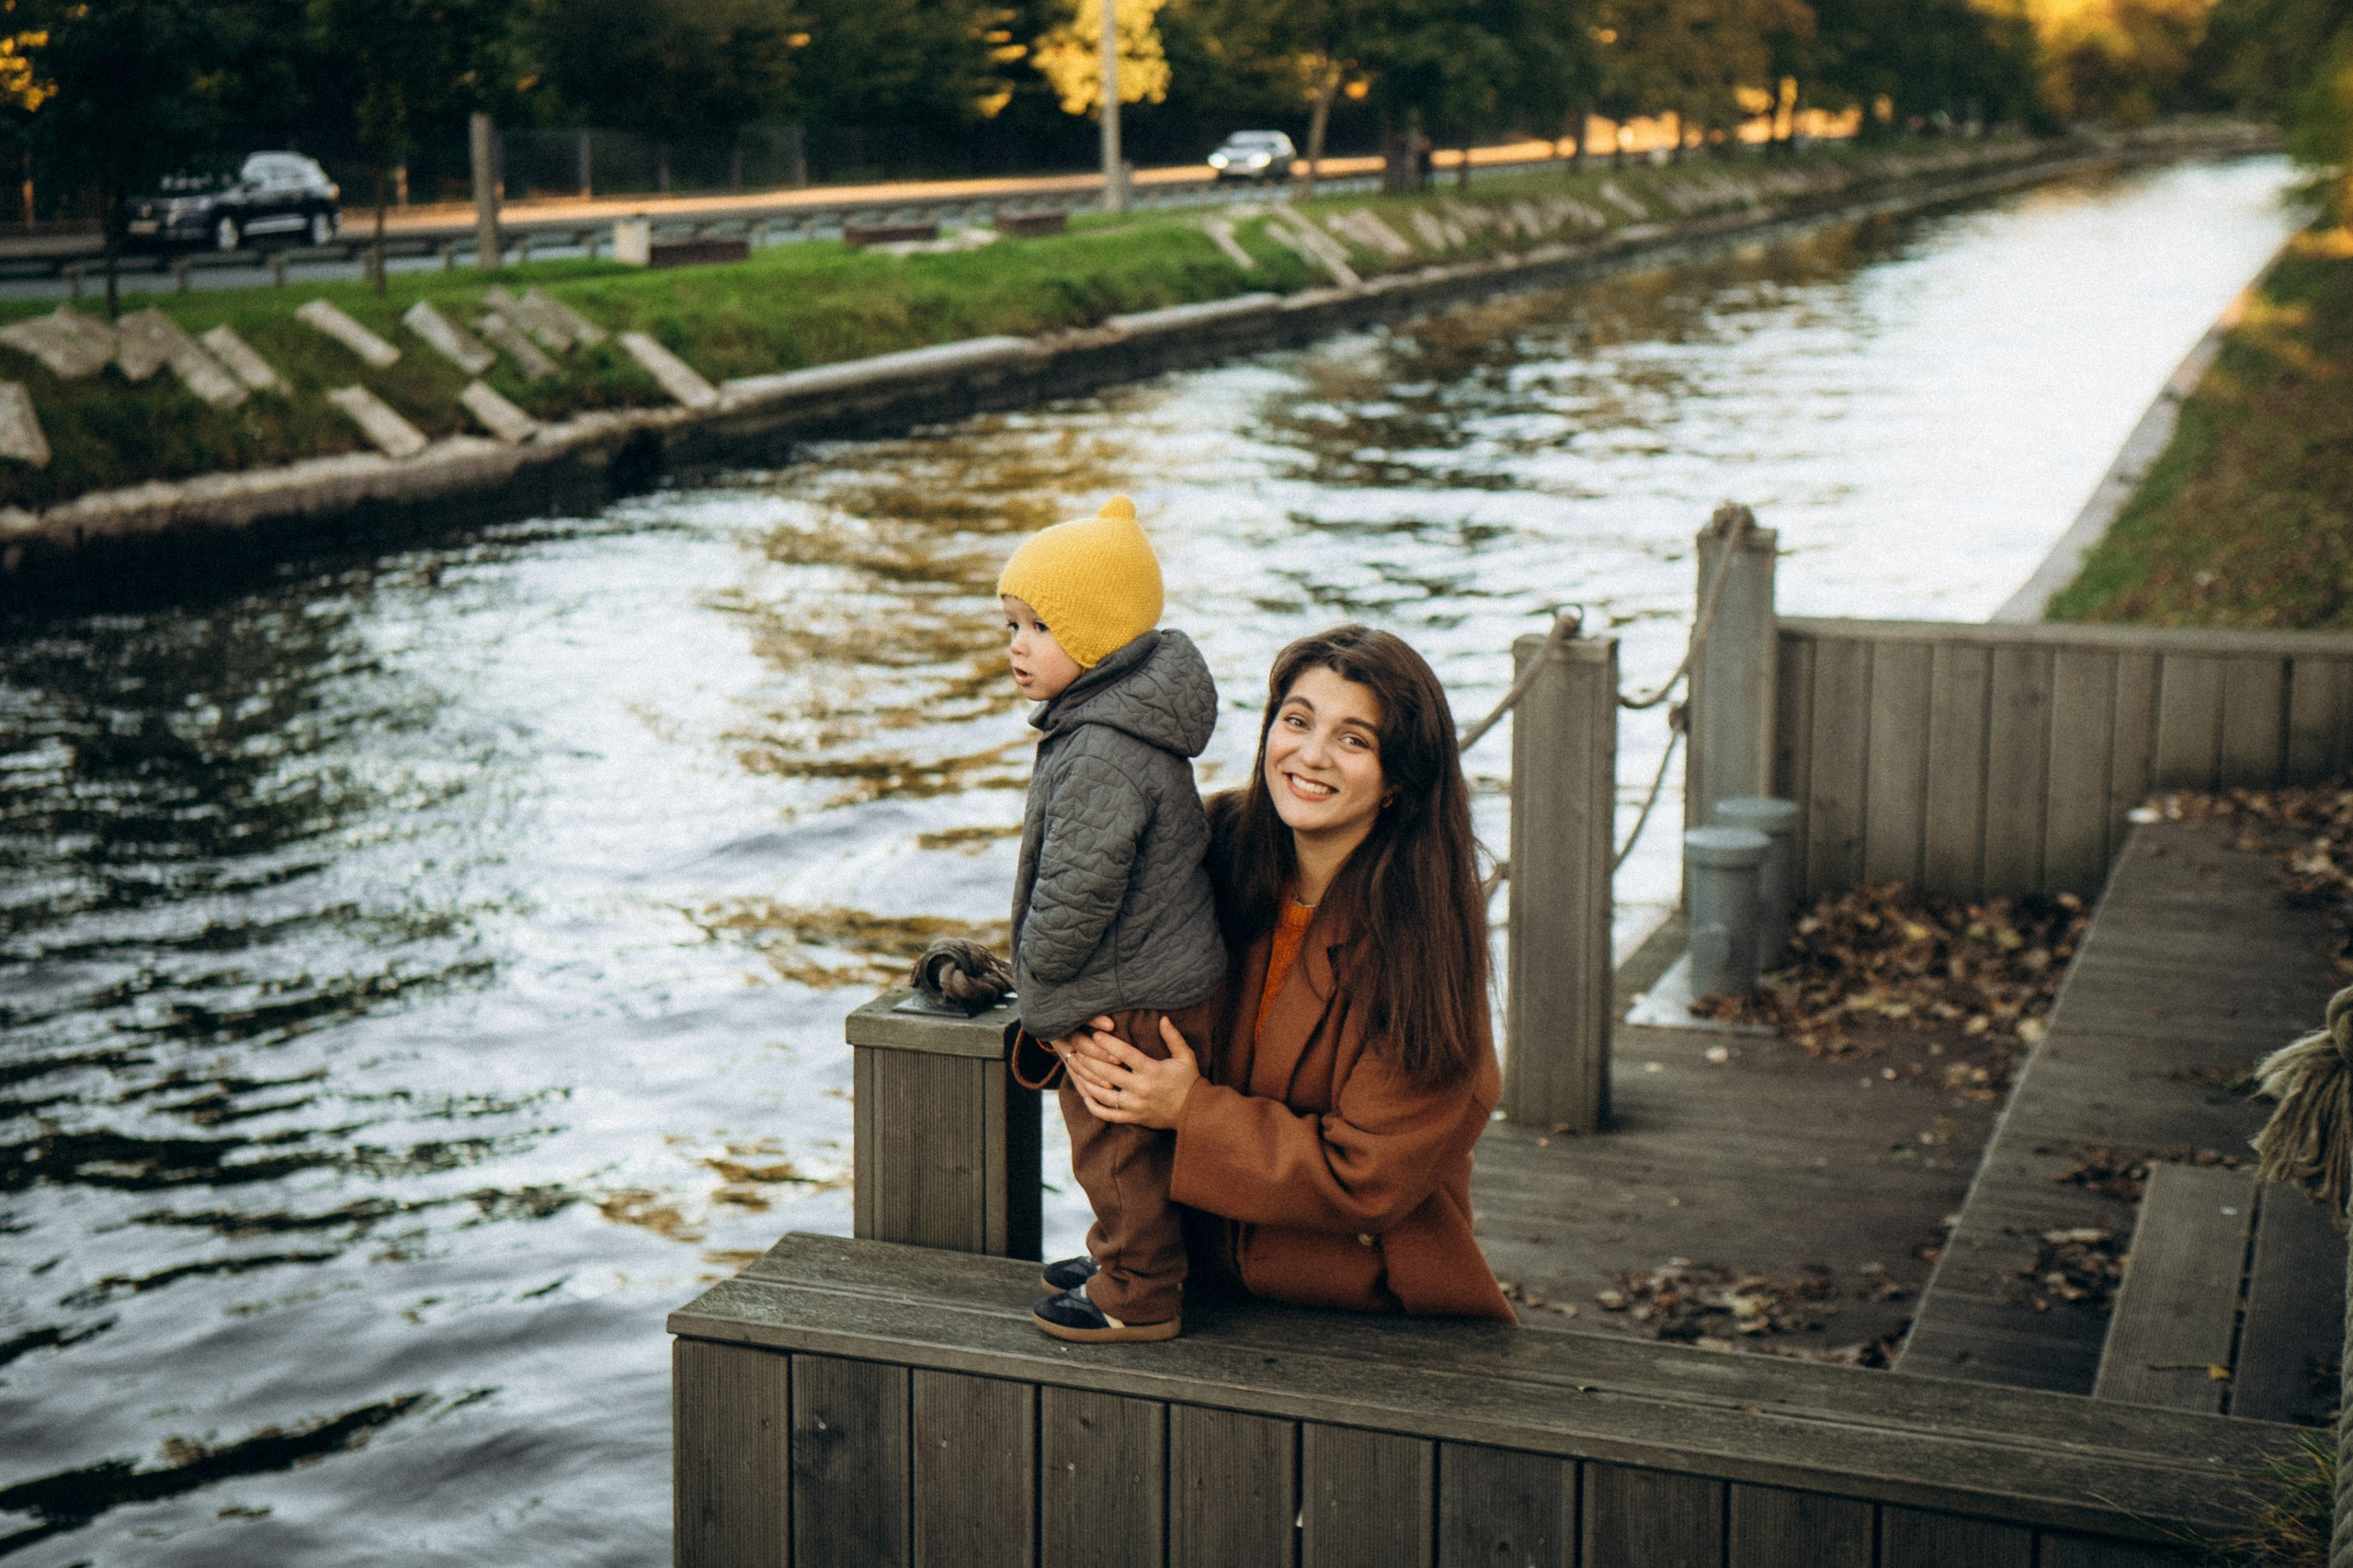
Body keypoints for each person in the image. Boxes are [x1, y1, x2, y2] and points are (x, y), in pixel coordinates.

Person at [1053, 624, 1516, 1323]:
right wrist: (1065, 1029)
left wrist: (1187, 1110)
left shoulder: (1425, 939)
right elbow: (1095, 944)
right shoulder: (1207, 843)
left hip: (1366, 1306)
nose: (1311, 754)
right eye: (1296, 721)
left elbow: (1366, 1177)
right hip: (1197, 1278)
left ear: (1398, 778)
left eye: (1353, 739)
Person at [996, 495, 1227, 1345]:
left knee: (1115, 1150)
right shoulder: (1112, 723)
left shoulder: (1101, 748)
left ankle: (1138, 1290)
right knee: (1135, 1149)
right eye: (1012, 625)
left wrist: (1041, 996)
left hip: (1130, 992)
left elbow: (1074, 894)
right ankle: (1128, 1256)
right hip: (1157, 973)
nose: (1017, 646)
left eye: (1040, 627)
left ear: (1095, 640)